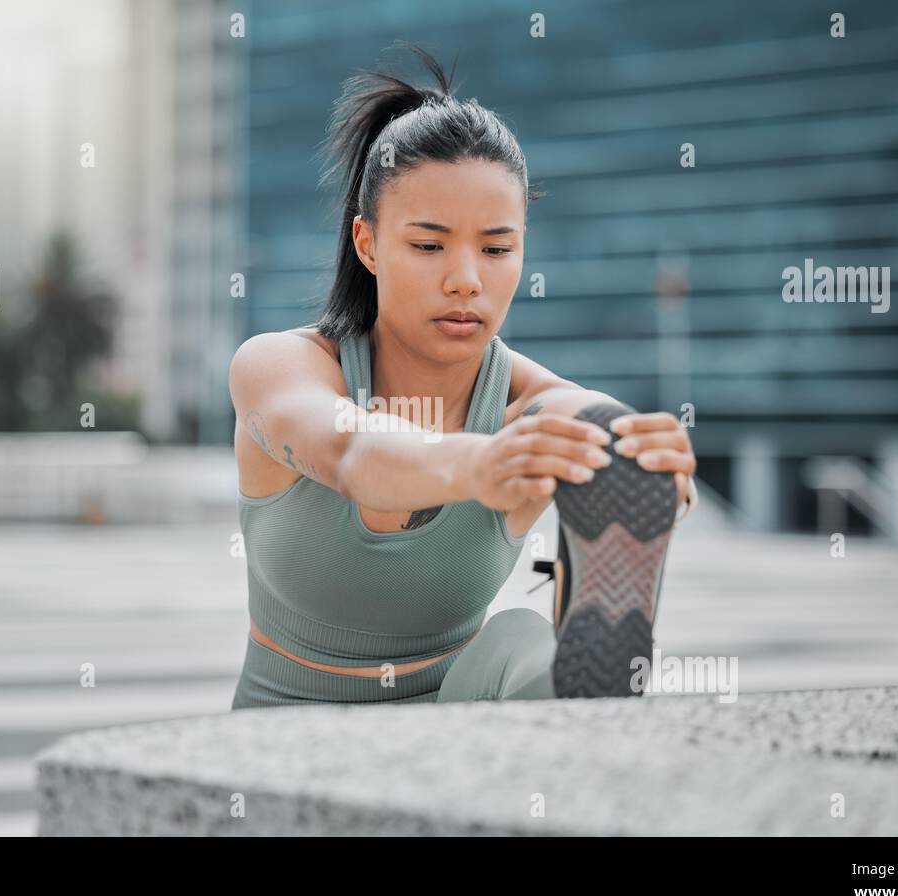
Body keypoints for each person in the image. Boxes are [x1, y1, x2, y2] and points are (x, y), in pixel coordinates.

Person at [229, 43, 697, 709]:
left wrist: (632, 450)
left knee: (519, 637)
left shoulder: (525, 406)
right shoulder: (279, 366)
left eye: (498, 248)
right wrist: (482, 465)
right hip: (278, 747)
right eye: (428, 244)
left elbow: (579, 414)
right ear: (367, 243)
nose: (466, 279)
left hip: (448, 745)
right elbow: (351, 449)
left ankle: (590, 694)